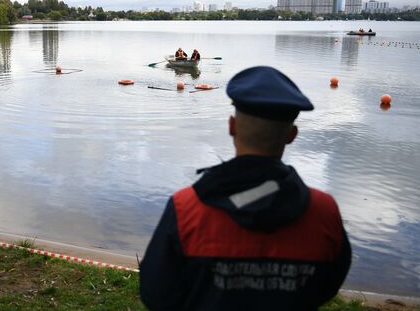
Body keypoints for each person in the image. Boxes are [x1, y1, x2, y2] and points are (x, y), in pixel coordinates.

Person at [140, 66, 351, 311]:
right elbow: (328, 285)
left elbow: (156, 293)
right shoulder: (324, 213)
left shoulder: (186, 208)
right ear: (291, 135)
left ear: (232, 126)